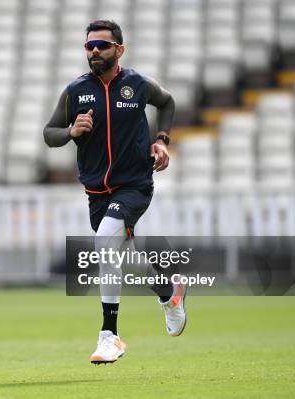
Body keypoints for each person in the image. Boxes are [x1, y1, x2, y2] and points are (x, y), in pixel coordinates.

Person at [43, 20, 186, 364]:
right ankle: (170, 293)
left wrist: (162, 141)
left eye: (102, 46)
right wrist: (72, 131)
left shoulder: (136, 84)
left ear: (118, 50)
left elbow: (167, 103)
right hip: (96, 191)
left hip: (134, 184)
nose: (94, 51)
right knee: (120, 256)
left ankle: (110, 335)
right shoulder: (75, 90)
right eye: (89, 45)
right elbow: (50, 133)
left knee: (106, 241)